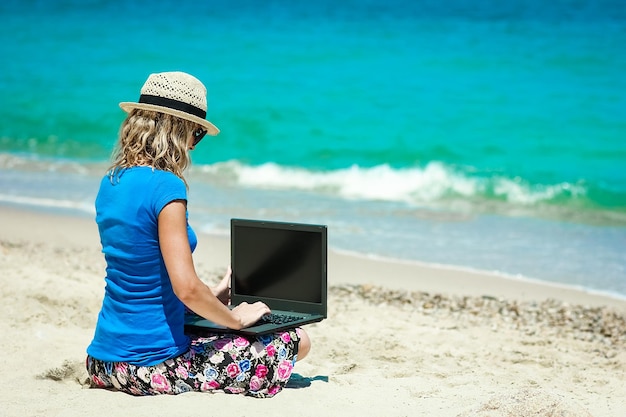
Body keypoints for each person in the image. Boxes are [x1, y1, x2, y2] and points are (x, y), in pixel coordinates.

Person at [85, 71, 311, 398]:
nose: (194, 144)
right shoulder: (166, 186)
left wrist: (218, 293)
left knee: (230, 328)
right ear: (177, 130)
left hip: (103, 362)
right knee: (296, 339)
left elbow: (144, 275)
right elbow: (187, 288)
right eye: (196, 134)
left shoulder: (112, 181)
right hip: (149, 366)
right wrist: (234, 319)